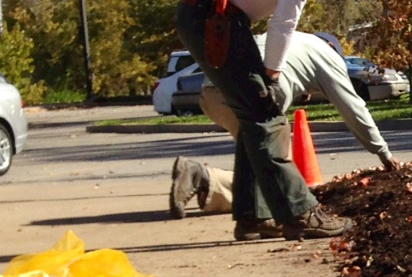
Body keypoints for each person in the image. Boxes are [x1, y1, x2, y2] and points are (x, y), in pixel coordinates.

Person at [174, 0, 373, 240]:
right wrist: (272, 73)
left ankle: (254, 217)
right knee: (265, 114)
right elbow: (285, 20)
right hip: (216, 18)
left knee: (254, 118)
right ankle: (301, 214)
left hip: (212, 17)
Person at [171, 32, 399, 217]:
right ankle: (205, 178)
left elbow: (277, 69)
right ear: (332, 48)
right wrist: (383, 153)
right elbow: (353, 108)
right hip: (250, 92)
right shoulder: (326, 55)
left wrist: (301, 89)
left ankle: (235, 205)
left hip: (212, 91)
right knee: (277, 171)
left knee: (257, 163)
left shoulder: (287, 38)